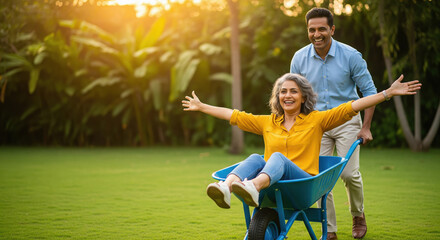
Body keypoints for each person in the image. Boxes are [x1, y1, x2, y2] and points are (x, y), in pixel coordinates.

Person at [182, 73, 420, 217]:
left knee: (276, 158)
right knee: (256, 158)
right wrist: (202, 107)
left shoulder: (317, 120)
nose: (287, 95)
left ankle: (253, 186)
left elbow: (353, 107)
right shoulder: (268, 122)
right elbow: (233, 115)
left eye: (293, 91)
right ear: (277, 97)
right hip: (274, 185)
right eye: (282, 91)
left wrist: (387, 93)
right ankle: (227, 187)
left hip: (302, 185)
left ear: (303, 97)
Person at [290, 7, 376, 239]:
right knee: (320, 180)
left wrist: (365, 126)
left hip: (348, 121)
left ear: (332, 30)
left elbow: (369, 92)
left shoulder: (351, 56)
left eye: (322, 29)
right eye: (312, 30)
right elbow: (294, 97)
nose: (316, 34)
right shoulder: (299, 58)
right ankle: (329, 230)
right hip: (316, 124)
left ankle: (358, 214)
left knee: (349, 174)